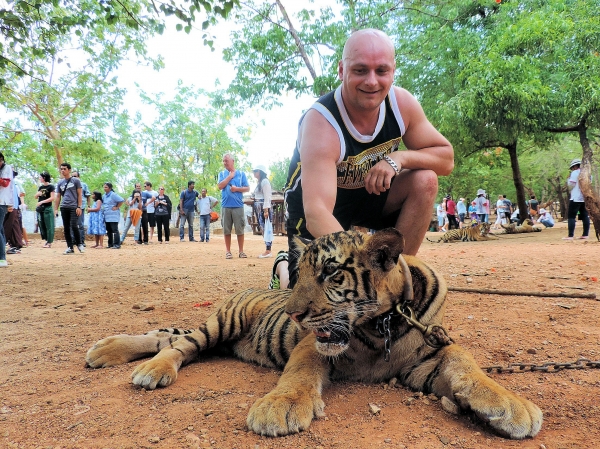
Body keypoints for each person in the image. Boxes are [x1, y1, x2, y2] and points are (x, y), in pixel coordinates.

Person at [274, 29, 453, 288]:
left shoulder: (402, 105)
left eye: (381, 71)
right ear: (341, 70)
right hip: (318, 209)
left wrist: (399, 158)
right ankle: (282, 266)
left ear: (392, 71)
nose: (371, 81)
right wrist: (362, 270)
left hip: (370, 196)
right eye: (360, 70)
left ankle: (392, 281)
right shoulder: (321, 123)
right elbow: (317, 213)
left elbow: (446, 160)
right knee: (311, 297)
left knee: (425, 179)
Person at [218, 153, 250, 258]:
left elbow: (247, 188)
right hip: (225, 206)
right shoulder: (222, 174)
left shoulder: (241, 174)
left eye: (226, 160)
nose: (224, 163)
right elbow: (220, 186)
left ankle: (241, 251)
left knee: (239, 229)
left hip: (238, 206)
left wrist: (237, 189)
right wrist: (229, 177)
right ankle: (228, 251)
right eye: (223, 161)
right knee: (226, 229)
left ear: (233, 161)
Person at [54, 162, 85, 255]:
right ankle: (70, 247)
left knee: (74, 225)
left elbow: (80, 194)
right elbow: (58, 196)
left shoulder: (76, 181)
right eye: (61, 169)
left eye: (64, 169)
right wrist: (55, 208)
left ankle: (79, 244)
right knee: (66, 228)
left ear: (69, 170)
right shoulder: (60, 182)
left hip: (73, 207)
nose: (62, 171)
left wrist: (79, 206)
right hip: (64, 207)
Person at [563, 158, 590, 240]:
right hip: (584, 197)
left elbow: (571, 184)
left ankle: (570, 235)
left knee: (571, 216)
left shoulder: (574, 173)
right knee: (585, 215)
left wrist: (568, 179)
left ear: (574, 166)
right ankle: (585, 234)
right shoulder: (587, 173)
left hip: (575, 198)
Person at [252, 165, 274, 258]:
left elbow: (267, 196)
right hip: (259, 205)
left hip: (263, 207)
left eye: (255, 171)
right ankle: (267, 249)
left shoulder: (264, 181)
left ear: (260, 172)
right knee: (263, 227)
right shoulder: (260, 182)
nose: (254, 173)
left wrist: (266, 210)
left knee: (266, 227)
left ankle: (268, 250)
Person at [4, 170, 24, 254]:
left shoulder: (11, 183)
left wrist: (9, 206)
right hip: (13, 206)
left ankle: (15, 245)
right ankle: (16, 245)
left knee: (7, 226)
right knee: (14, 226)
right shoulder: (12, 183)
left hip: (10, 207)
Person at [34, 171, 56, 248]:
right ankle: (46, 240)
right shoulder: (41, 187)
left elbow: (52, 198)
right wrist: (38, 194)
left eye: (40, 177)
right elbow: (36, 196)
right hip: (41, 209)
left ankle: (49, 242)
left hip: (48, 208)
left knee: (49, 225)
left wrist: (42, 201)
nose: (39, 178)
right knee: (42, 225)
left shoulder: (51, 187)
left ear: (44, 178)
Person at [0, 152, 14, 267]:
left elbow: (5, 183)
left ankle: (2, 258)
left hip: (2, 202)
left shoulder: (7, 168)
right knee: (0, 229)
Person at [70, 170, 91, 247]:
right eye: (72, 176)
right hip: (72, 207)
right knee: (72, 224)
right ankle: (73, 240)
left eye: (75, 176)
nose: (73, 178)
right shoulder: (70, 185)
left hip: (81, 206)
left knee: (80, 224)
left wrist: (89, 206)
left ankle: (81, 241)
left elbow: (88, 196)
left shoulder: (84, 185)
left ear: (79, 177)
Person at [102, 182, 124, 249]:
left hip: (113, 215)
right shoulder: (104, 196)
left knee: (115, 230)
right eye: (104, 187)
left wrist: (117, 207)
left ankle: (117, 244)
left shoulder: (113, 195)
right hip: (107, 215)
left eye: (106, 187)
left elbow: (121, 200)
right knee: (108, 230)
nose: (104, 188)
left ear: (110, 188)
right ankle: (110, 244)